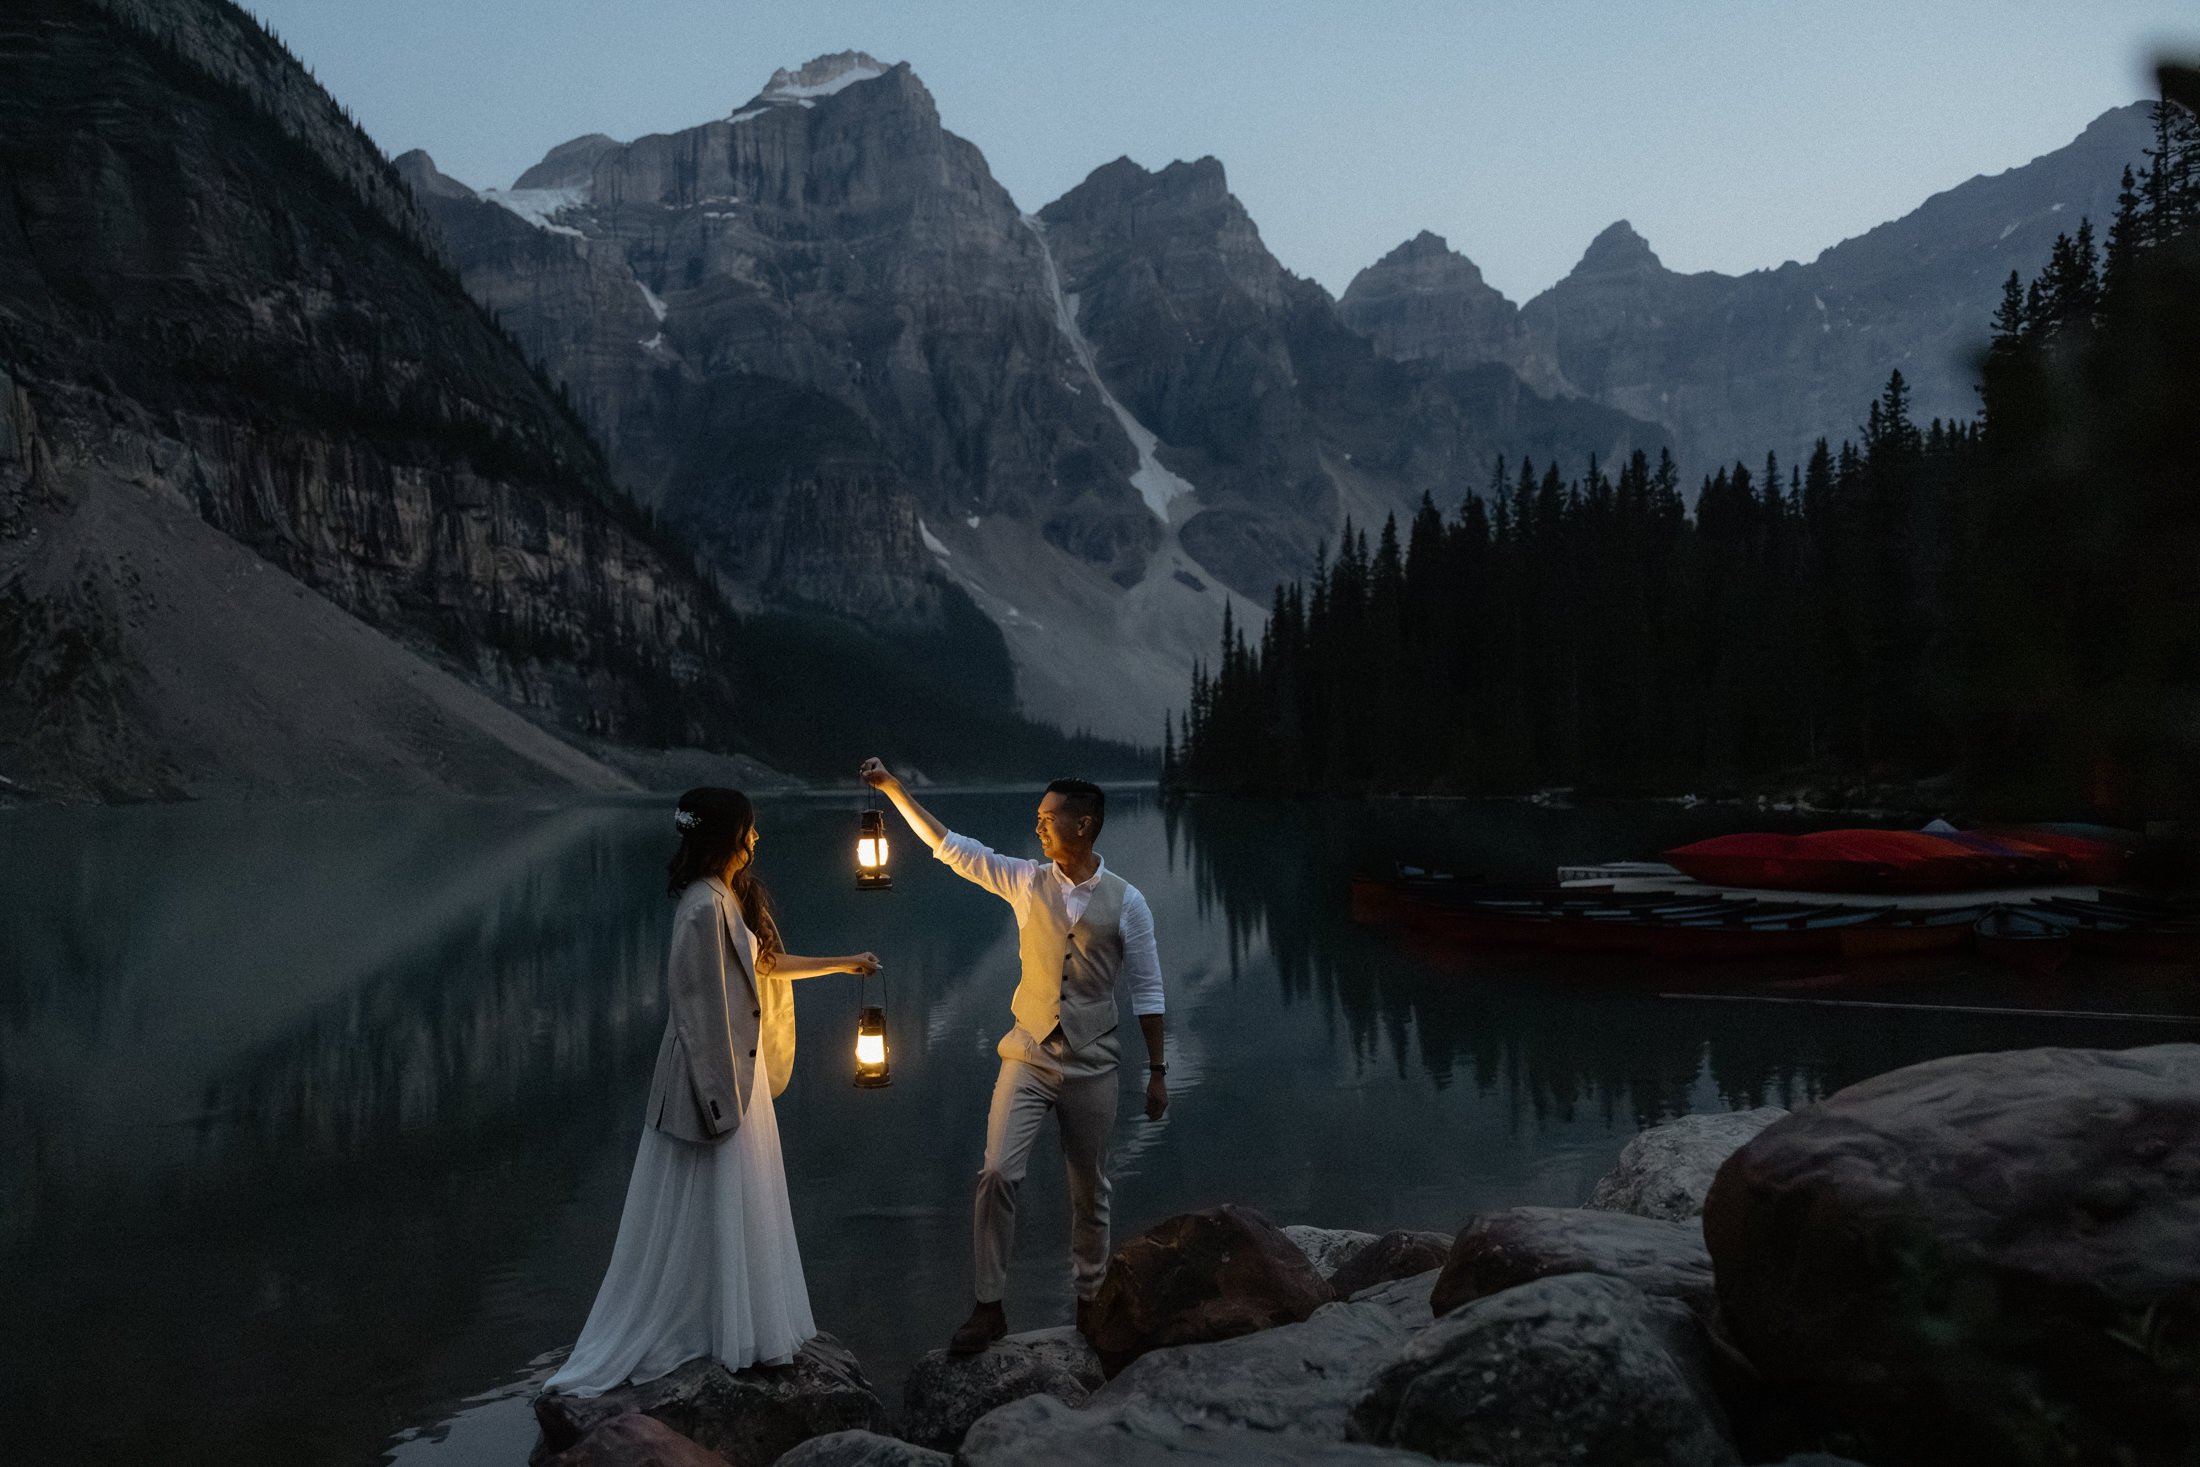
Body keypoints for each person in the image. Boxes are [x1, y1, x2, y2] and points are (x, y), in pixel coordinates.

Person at [545, 788, 882, 1395]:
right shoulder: (703, 908)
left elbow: (764, 967)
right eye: (749, 831)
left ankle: (734, 1328)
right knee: (718, 1202)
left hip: (735, 1078)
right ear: (730, 837)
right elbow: (695, 1013)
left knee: (735, 1205)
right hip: (718, 1082)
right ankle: (722, 1333)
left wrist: (841, 964)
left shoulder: (725, 899)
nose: (756, 841)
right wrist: (719, 1102)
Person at [858, 758, 1166, 1354]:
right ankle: (989, 1306)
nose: (1039, 826)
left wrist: (1157, 1072)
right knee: (996, 1170)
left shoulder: (1130, 904)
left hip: (1094, 1059)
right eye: (1039, 817)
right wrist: (895, 788)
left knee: (1089, 1188)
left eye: (1049, 818)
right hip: (1026, 1052)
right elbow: (951, 847)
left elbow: (1148, 991)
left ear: (1084, 826)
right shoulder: (1026, 880)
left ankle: (1088, 1302)